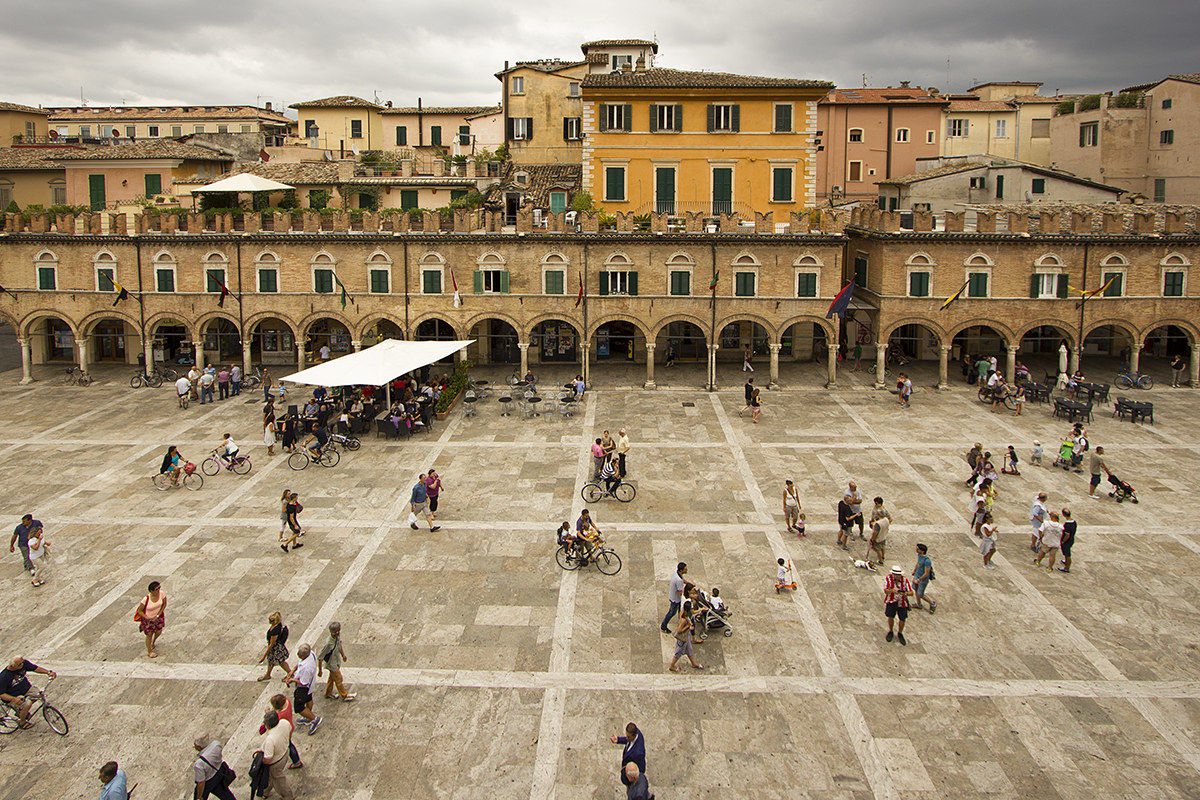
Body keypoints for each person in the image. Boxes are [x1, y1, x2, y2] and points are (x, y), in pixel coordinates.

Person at [0, 656, 56, 728]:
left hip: (26, 689)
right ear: (13, 666)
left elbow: (35, 668)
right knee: (27, 704)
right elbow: (1, 694)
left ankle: (21, 712)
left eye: (22, 662)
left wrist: (48, 672)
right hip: (14, 696)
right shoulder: (4, 677)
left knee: (39, 695)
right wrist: (14, 699)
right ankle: (22, 722)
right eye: (20, 664)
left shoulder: (23, 664)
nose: (22, 665)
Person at [283, 644, 322, 735]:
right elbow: (300, 662)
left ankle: (314, 719)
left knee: (299, 707)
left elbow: (304, 683)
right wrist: (292, 670)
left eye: (299, 654)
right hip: (310, 685)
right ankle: (308, 716)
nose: (297, 654)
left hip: (303, 688)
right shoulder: (310, 654)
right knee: (308, 698)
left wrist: (292, 680)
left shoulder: (306, 668)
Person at [261, 710, 296, 800]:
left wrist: (261, 761)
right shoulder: (284, 722)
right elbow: (290, 731)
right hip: (285, 752)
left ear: (268, 725)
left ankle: (288, 797)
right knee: (271, 777)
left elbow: (268, 758)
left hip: (275, 762)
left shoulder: (270, 739)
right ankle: (264, 791)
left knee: (279, 781)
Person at [318, 621, 356, 702]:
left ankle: (328, 693)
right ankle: (344, 695)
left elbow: (339, 645)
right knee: (338, 679)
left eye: (338, 630)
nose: (337, 632)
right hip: (331, 664)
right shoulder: (328, 643)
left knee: (332, 679)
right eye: (335, 631)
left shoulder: (337, 637)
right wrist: (320, 670)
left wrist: (343, 655)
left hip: (336, 661)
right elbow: (320, 657)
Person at [192, 735, 235, 800]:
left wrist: (199, 797)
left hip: (209, 782)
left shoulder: (199, 764)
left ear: (199, 747)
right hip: (220, 772)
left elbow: (201, 782)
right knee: (225, 795)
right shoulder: (216, 744)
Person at [667, 600, 703, 672]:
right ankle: (671, 666)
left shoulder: (683, 613)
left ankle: (693, 664)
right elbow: (679, 630)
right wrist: (688, 626)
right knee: (678, 653)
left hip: (686, 637)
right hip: (682, 639)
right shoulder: (684, 619)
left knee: (689, 649)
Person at [134, 581, 166, 658]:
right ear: (151, 591)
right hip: (148, 619)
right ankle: (149, 651)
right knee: (149, 635)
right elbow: (140, 611)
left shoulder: (161, 594)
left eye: (159, 588)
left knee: (158, 631)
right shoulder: (146, 599)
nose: (158, 590)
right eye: (156, 589)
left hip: (158, 617)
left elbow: (164, 604)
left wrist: (158, 615)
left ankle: (153, 642)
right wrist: (146, 617)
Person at [258, 612, 291, 681]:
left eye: (272, 620)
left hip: (276, 648)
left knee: (281, 662)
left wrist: (263, 656)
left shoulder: (275, 630)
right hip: (275, 647)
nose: (270, 622)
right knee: (270, 661)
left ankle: (290, 673)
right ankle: (268, 674)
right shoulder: (277, 625)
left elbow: (272, 644)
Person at [883, 565, 912, 645]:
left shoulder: (904, 580)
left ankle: (900, 633)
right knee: (891, 616)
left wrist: (904, 593)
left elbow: (911, 592)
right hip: (892, 601)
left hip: (902, 603)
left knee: (902, 619)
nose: (898, 576)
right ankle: (891, 631)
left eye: (899, 575)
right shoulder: (888, 579)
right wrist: (892, 591)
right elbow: (886, 590)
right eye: (896, 575)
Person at [10, 513, 41, 580]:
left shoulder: (36, 523)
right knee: (26, 556)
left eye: (24, 521)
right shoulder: (19, 527)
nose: (23, 523)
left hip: (33, 542)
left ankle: (27, 564)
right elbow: (14, 536)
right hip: (23, 544)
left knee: (34, 554)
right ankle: (31, 568)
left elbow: (40, 531)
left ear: (29, 520)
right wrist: (11, 545)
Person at [660, 562, 688, 633]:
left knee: (680, 610)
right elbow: (680, 592)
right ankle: (663, 626)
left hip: (674, 596)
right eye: (685, 569)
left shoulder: (676, 573)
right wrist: (688, 596)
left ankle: (681, 623)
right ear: (681, 570)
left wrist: (688, 583)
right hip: (676, 599)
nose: (686, 570)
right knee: (672, 612)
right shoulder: (678, 580)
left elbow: (682, 579)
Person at [911, 543, 936, 613]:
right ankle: (918, 604)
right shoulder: (919, 556)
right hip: (917, 575)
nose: (916, 550)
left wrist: (918, 580)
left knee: (920, 594)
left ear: (922, 551)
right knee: (915, 589)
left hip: (922, 579)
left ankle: (932, 603)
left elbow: (926, 573)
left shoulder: (927, 561)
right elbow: (918, 563)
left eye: (918, 549)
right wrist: (915, 571)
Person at [1058, 508, 1077, 573]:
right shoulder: (1074, 522)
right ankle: (1066, 561)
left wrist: (1063, 541)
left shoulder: (1067, 525)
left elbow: (1067, 535)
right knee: (1066, 553)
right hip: (1071, 539)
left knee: (1067, 554)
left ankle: (1067, 568)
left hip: (1067, 541)